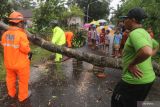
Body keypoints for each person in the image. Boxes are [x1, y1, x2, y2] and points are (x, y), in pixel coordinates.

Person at [111, 7, 159, 107]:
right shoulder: (145, 33)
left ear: (132, 20)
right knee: (136, 104)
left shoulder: (135, 33)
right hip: (148, 79)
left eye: (126, 19)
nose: (124, 21)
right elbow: (156, 46)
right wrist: (149, 57)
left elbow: (146, 52)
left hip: (134, 80)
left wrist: (132, 64)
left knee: (117, 102)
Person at [1, 11, 32, 106]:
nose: (22, 24)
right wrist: (29, 51)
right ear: (18, 22)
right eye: (21, 22)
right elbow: (26, 49)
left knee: (10, 79)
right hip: (21, 64)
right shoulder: (21, 35)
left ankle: (11, 93)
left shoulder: (5, 34)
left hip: (9, 63)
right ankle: (22, 97)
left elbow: (4, 45)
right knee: (23, 81)